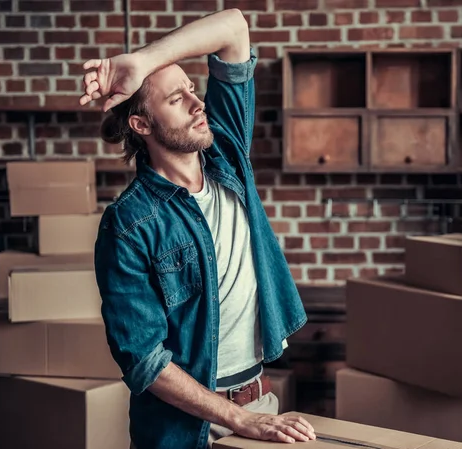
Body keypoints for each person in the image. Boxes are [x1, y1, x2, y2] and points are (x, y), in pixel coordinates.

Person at [79, 8, 316, 449]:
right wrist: (237, 420)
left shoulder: (227, 152)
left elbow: (233, 28)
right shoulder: (128, 224)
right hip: (181, 431)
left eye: (192, 89)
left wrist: (143, 62)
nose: (197, 102)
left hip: (257, 405)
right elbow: (144, 361)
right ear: (141, 124)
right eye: (176, 99)